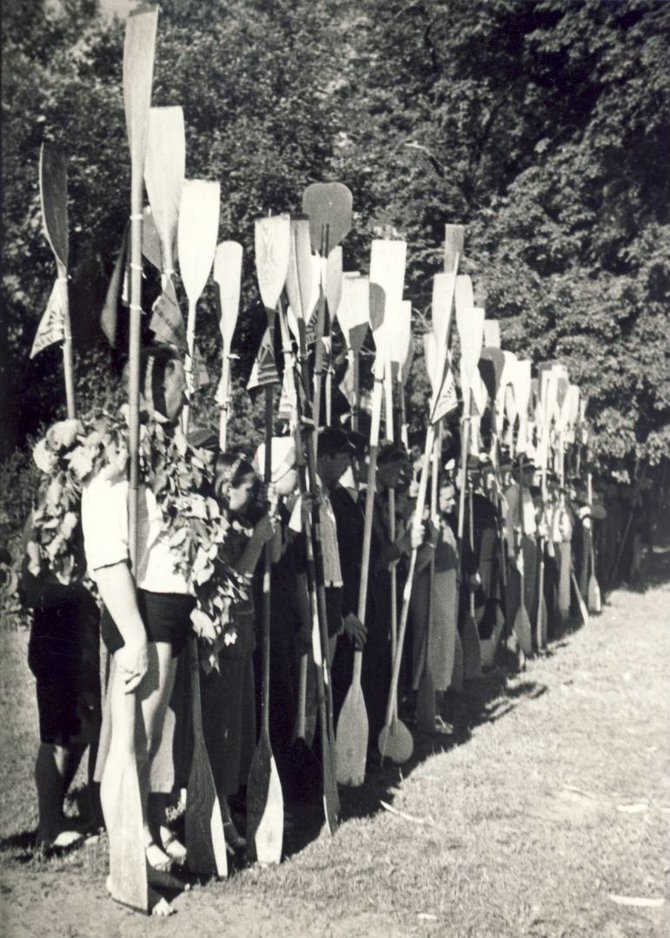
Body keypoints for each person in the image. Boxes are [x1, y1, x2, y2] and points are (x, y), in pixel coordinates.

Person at [81, 345, 193, 879]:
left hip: (168, 605)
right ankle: (127, 852)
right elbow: (104, 544)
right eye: (177, 382)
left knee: (150, 740)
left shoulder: (166, 444)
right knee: (134, 740)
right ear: (151, 385)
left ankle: (145, 832)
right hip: (140, 610)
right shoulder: (116, 449)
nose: (186, 393)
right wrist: (131, 633)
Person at [199, 452, 278, 851]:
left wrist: (268, 532)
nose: (255, 495)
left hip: (244, 637)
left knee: (241, 730)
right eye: (250, 489)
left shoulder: (242, 524)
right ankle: (219, 814)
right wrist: (257, 542)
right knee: (222, 732)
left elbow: (273, 558)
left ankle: (231, 805)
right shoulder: (213, 530)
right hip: (223, 640)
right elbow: (228, 583)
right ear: (226, 489)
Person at [21, 526, 102, 852]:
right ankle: (49, 827)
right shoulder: (52, 505)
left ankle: (61, 816)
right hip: (58, 628)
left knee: (84, 730)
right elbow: (30, 582)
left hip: (75, 621)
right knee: (57, 735)